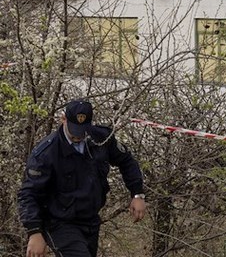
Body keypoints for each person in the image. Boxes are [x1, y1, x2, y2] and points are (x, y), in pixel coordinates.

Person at [18, 99, 146, 257]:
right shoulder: (46, 153)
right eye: (74, 130)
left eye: (82, 131)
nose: (78, 136)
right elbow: (28, 194)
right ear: (63, 119)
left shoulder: (100, 139)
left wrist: (137, 194)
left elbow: (126, 160)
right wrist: (34, 232)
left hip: (90, 220)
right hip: (59, 222)